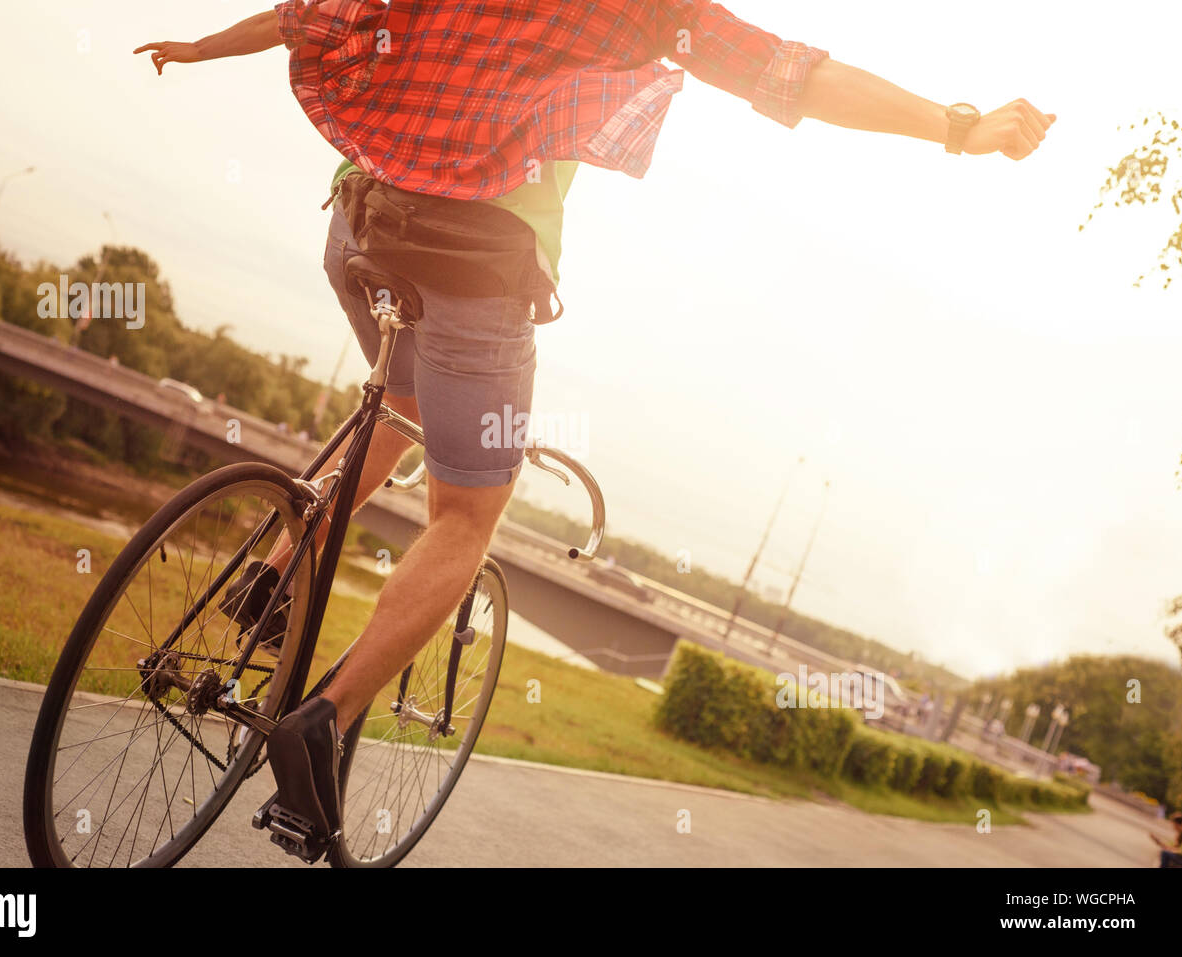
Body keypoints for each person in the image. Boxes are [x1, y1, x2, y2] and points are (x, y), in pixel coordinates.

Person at [135, 1, 1055, 845]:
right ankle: (320, 725)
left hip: (361, 221)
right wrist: (958, 128)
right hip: (476, 258)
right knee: (464, 517)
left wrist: (202, 47)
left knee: (403, 402)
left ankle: (275, 575)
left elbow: (312, 15)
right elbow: (793, 76)